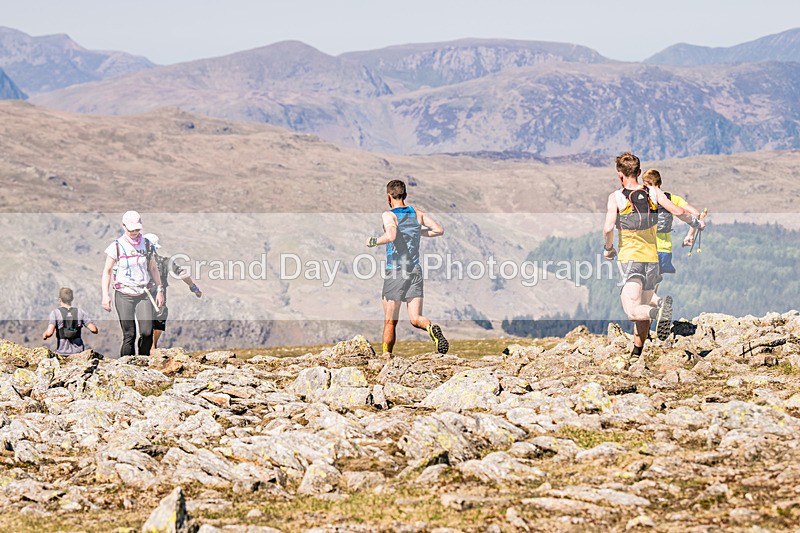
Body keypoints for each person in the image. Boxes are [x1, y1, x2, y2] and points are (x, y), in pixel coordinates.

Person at [602, 153, 705, 364]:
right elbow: (677, 211)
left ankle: (658, 312)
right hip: (653, 260)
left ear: (620, 175)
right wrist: (695, 223)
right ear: (639, 173)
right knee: (644, 307)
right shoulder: (653, 192)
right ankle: (636, 354)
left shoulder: (617, 197)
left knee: (633, 311)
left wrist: (608, 248)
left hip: (631, 258)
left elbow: (608, 227)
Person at [366, 179, 448, 357]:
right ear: (405, 195)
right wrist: (419, 231)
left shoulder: (389, 215)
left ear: (389, 197)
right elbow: (438, 230)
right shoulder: (417, 213)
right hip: (414, 271)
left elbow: (391, 234)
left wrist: (374, 241)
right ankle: (430, 327)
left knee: (390, 321)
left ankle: (386, 358)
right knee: (415, 318)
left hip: (396, 271)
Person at [101, 211, 164, 356]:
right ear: (123, 226)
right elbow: (107, 272)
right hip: (124, 294)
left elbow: (153, 268)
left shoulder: (147, 245)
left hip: (143, 294)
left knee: (147, 332)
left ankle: (143, 365)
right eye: (131, 230)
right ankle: (126, 367)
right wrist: (105, 296)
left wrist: (159, 290)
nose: (134, 233)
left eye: (137, 229)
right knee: (129, 335)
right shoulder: (116, 246)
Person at [641, 168, 703, 300]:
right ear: (660, 182)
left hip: (646, 248)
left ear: (646, 184)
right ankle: (656, 309)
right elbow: (696, 214)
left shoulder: (642, 198)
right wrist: (690, 235)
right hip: (664, 250)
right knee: (652, 287)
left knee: (641, 292)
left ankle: (657, 305)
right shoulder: (671, 198)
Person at [142, 233, 202, 349]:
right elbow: (182, 274)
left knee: (145, 324)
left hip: (141, 296)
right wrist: (193, 287)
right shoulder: (165, 261)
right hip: (159, 296)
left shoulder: (138, 262)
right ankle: (153, 346)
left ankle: (147, 347)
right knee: (159, 319)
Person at [42, 287, 98, 355]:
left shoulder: (55, 313)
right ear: (72, 299)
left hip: (62, 353)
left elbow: (49, 333)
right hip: (78, 353)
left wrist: (45, 335)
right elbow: (94, 329)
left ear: (60, 299)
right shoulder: (80, 312)